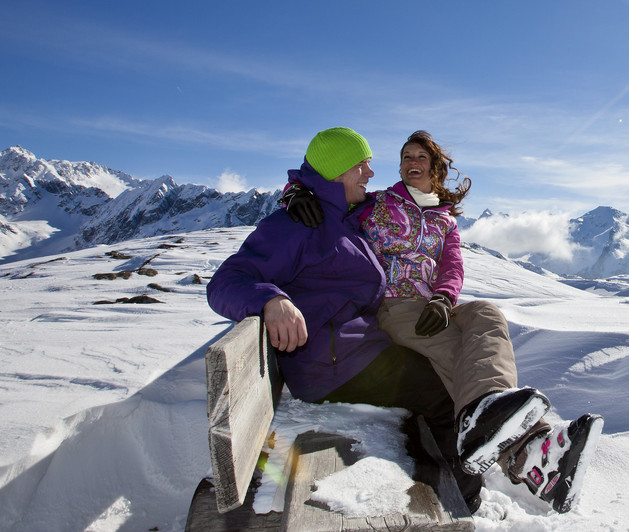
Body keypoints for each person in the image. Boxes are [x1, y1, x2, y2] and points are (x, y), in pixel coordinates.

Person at [282, 130, 603, 514]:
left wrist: (444, 297)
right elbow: (329, 188)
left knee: (486, 313)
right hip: (394, 306)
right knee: (457, 354)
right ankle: (530, 453)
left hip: (434, 306)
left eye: (420, 157)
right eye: (405, 157)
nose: (411, 162)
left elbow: (452, 266)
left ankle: (502, 430)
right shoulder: (378, 203)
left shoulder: (444, 220)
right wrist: (292, 192)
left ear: (436, 170)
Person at [206, 127, 483, 510]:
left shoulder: (342, 214)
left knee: (449, 362)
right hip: (333, 364)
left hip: (356, 350)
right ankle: (461, 500)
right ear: (338, 171)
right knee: (441, 393)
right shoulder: (296, 224)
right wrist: (271, 301)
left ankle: (460, 479)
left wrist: (297, 189)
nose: (371, 175)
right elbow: (225, 282)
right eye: (362, 167)